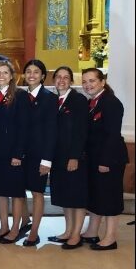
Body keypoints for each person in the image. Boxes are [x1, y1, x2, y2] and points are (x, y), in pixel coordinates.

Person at [80, 68, 128, 251]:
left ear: (102, 82)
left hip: (110, 159)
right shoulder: (92, 102)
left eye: (92, 81)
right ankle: (92, 231)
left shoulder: (111, 103)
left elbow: (112, 135)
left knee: (110, 197)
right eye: (85, 82)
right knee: (96, 196)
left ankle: (110, 237)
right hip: (94, 158)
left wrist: (105, 161)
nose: (88, 85)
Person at [18, 59, 58, 247]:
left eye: (36, 72)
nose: (32, 75)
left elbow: (51, 132)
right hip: (22, 154)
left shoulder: (50, 99)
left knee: (36, 192)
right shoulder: (20, 96)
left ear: (43, 76)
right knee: (19, 191)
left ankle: (34, 232)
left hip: (39, 155)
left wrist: (47, 160)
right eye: (28, 71)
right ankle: (24, 222)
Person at [48, 66, 89, 250]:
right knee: (65, 196)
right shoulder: (54, 100)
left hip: (72, 157)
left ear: (71, 81)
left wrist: (75, 156)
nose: (62, 80)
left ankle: (76, 234)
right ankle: (68, 230)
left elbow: (81, 131)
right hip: (58, 157)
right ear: (54, 80)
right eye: (58, 77)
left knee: (76, 196)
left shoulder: (78, 100)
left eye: (66, 77)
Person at [0, 60, 26, 245]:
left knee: (16, 192)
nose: (1, 76)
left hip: (13, 153)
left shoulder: (19, 96)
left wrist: (18, 154)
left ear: (12, 76)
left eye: (5, 73)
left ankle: (16, 228)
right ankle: (3, 226)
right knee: (1, 192)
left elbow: (22, 127)